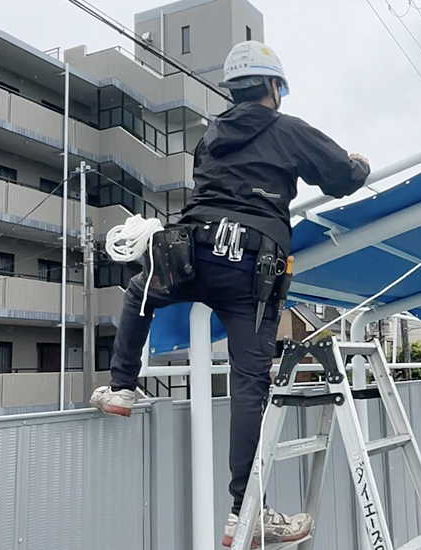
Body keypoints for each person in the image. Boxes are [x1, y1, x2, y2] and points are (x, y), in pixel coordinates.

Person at [89, 40, 370, 546]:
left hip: (192, 250)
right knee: (248, 380)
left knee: (140, 291)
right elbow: (341, 180)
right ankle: (245, 511)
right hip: (251, 265)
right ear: (272, 88)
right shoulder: (287, 130)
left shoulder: (211, 134)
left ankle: (123, 386)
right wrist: (358, 163)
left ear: (232, 89)